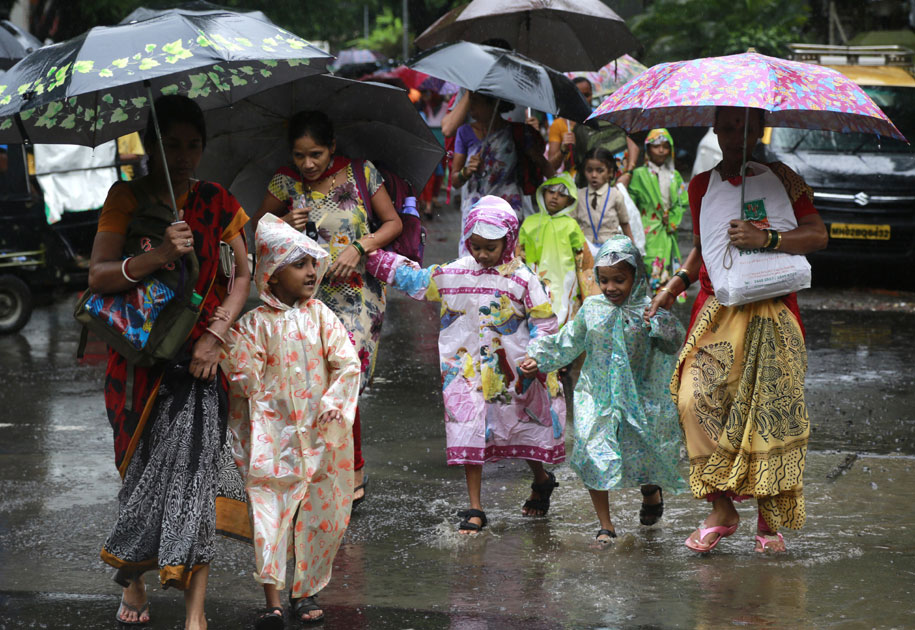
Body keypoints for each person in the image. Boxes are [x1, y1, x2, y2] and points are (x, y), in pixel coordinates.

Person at [89, 95, 251, 629]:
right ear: (150, 147)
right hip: (136, 366)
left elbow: (242, 275)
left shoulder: (218, 201)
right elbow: (99, 276)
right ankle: (133, 577)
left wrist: (217, 336)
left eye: (193, 146)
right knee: (138, 478)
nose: (183, 156)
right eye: (173, 145)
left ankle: (195, 614)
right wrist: (159, 255)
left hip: (200, 363)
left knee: (193, 480)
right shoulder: (126, 197)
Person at [645, 106, 828, 554]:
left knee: (769, 414)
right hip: (717, 311)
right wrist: (676, 283)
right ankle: (722, 508)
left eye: (747, 127)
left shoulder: (784, 178)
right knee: (694, 399)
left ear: (759, 131)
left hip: (774, 309)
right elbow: (702, 246)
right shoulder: (701, 185)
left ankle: (768, 524)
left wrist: (766, 238)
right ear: (716, 129)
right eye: (728, 126)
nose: (737, 136)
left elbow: (818, 235)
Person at [365, 196, 565, 533]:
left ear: (509, 241)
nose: (483, 254)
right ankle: (475, 507)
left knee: (521, 426)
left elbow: (545, 321)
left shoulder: (523, 279)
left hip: (513, 373)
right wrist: (368, 255)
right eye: (476, 246)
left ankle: (541, 479)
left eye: (491, 247)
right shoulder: (454, 273)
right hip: (465, 373)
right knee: (468, 430)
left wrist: (539, 355)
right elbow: (414, 279)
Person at [253, 110, 403, 509]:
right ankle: (319, 470)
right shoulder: (285, 182)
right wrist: (283, 220)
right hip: (307, 298)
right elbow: (256, 231)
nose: (307, 164)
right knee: (314, 382)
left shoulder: (361, 173)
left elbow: (393, 223)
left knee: (344, 376)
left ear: (332, 147)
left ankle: (353, 469)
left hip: (358, 297)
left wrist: (360, 247)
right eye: (300, 155)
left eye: (316, 154)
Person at [219, 215, 360, 628]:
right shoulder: (253, 325)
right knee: (269, 511)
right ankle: (273, 599)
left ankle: (306, 589)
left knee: (322, 511)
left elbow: (347, 365)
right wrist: (228, 345)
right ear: (272, 274)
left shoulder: (322, 317)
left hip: (321, 434)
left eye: (313, 263)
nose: (312, 272)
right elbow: (244, 382)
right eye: (299, 265)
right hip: (271, 436)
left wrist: (335, 404)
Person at [523, 235, 685, 545]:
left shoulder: (649, 309)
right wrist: (539, 358)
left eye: (620, 280)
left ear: (636, 278)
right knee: (594, 453)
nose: (611, 287)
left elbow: (674, 341)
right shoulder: (592, 309)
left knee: (643, 451)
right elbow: (568, 340)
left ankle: (650, 491)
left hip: (641, 397)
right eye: (604, 280)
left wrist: (658, 322)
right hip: (596, 395)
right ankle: (605, 525)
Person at [451, 92, 553, 252]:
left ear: (494, 104)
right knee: (474, 260)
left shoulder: (517, 132)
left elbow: (543, 165)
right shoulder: (464, 132)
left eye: (476, 102)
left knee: (507, 260)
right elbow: (455, 180)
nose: (471, 107)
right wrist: (466, 171)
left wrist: (560, 191)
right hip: (475, 210)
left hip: (508, 208)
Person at [518, 171, 595, 328]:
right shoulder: (529, 223)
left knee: (565, 319)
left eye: (561, 194)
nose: (555, 197)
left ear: (569, 200)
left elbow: (584, 261)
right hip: (535, 280)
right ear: (543, 193)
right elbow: (519, 256)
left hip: (565, 280)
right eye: (551, 192)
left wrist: (588, 294)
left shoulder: (571, 225)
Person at [628, 128, 689, 294]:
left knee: (667, 272)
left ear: (671, 149)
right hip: (647, 229)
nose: (661, 150)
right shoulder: (639, 174)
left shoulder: (674, 175)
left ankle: (660, 308)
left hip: (668, 231)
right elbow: (632, 203)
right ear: (648, 149)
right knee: (649, 267)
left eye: (665, 146)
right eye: (656, 146)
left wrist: (673, 221)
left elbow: (682, 202)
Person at [574, 147, 634, 251]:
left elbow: (625, 224)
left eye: (599, 171)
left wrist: (633, 250)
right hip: (585, 250)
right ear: (584, 171)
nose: (594, 175)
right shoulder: (578, 196)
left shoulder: (616, 195)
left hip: (612, 250)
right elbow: (572, 224)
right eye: (589, 170)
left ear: (609, 172)